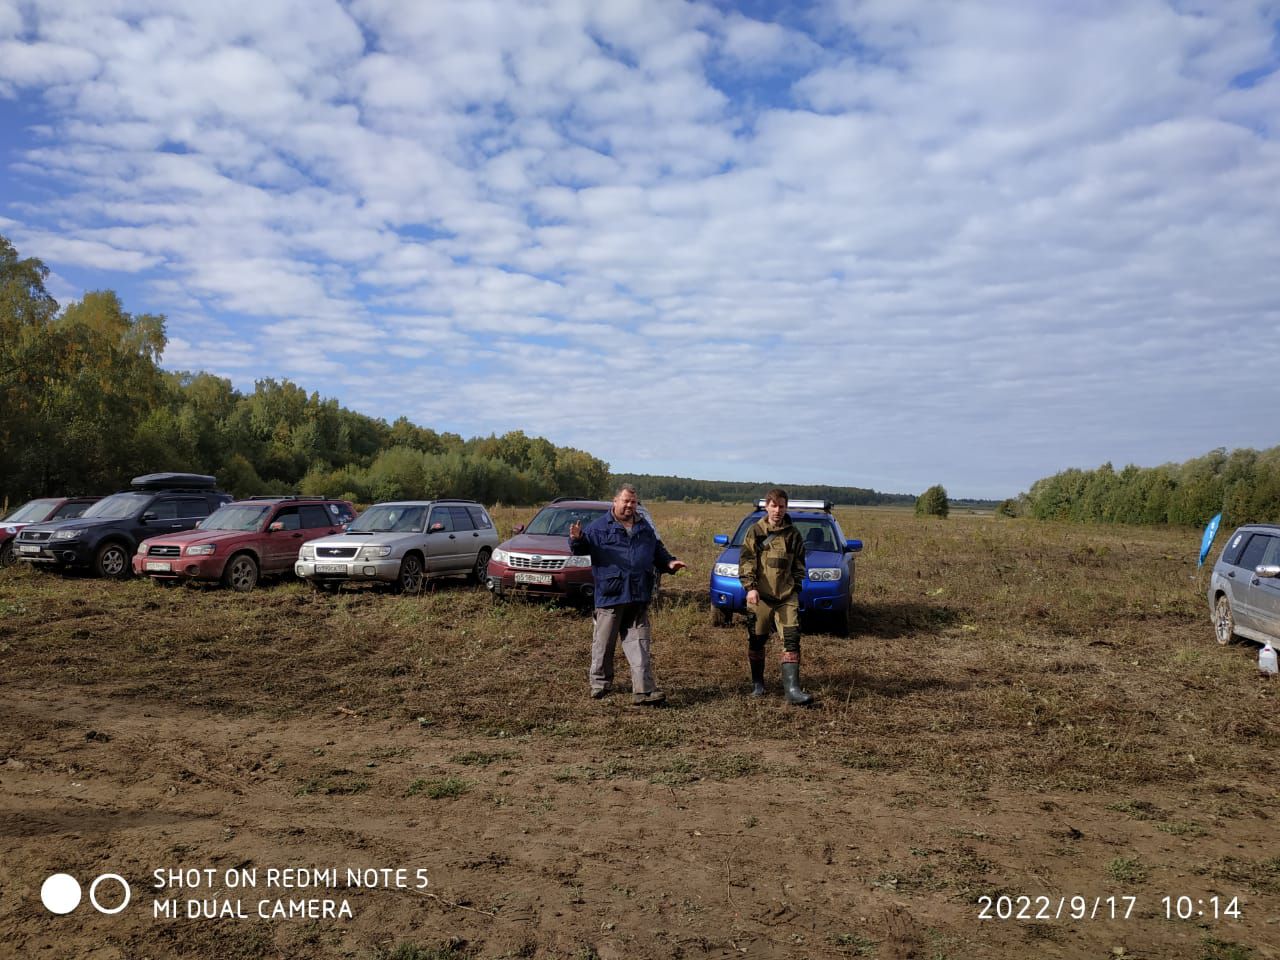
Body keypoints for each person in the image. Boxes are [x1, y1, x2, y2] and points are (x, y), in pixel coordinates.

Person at [569, 484, 686, 704]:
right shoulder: (599, 527)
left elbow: (657, 551)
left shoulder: (644, 528)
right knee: (604, 644)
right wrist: (576, 539)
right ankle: (599, 684)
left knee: (639, 644)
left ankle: (643, 690)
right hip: (611, 594)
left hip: (638, 594)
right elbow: (581, 548)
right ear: (615, 501)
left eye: (634, 502)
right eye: (626, 501)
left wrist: (669, 563)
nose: (630, 506)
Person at [738, 488, 813, 705]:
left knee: (792, 639)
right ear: (766, 507)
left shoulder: (793, 534)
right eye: (773, 505)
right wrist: (750, 587)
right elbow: (746, 561)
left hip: (786, 597)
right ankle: (758, 685)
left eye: (781, 506)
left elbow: (800, 564)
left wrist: (796, 587)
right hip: (760, 597)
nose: (777, 510)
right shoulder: (756, 531)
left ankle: (792, 689)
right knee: (757, 639)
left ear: (786, 507)